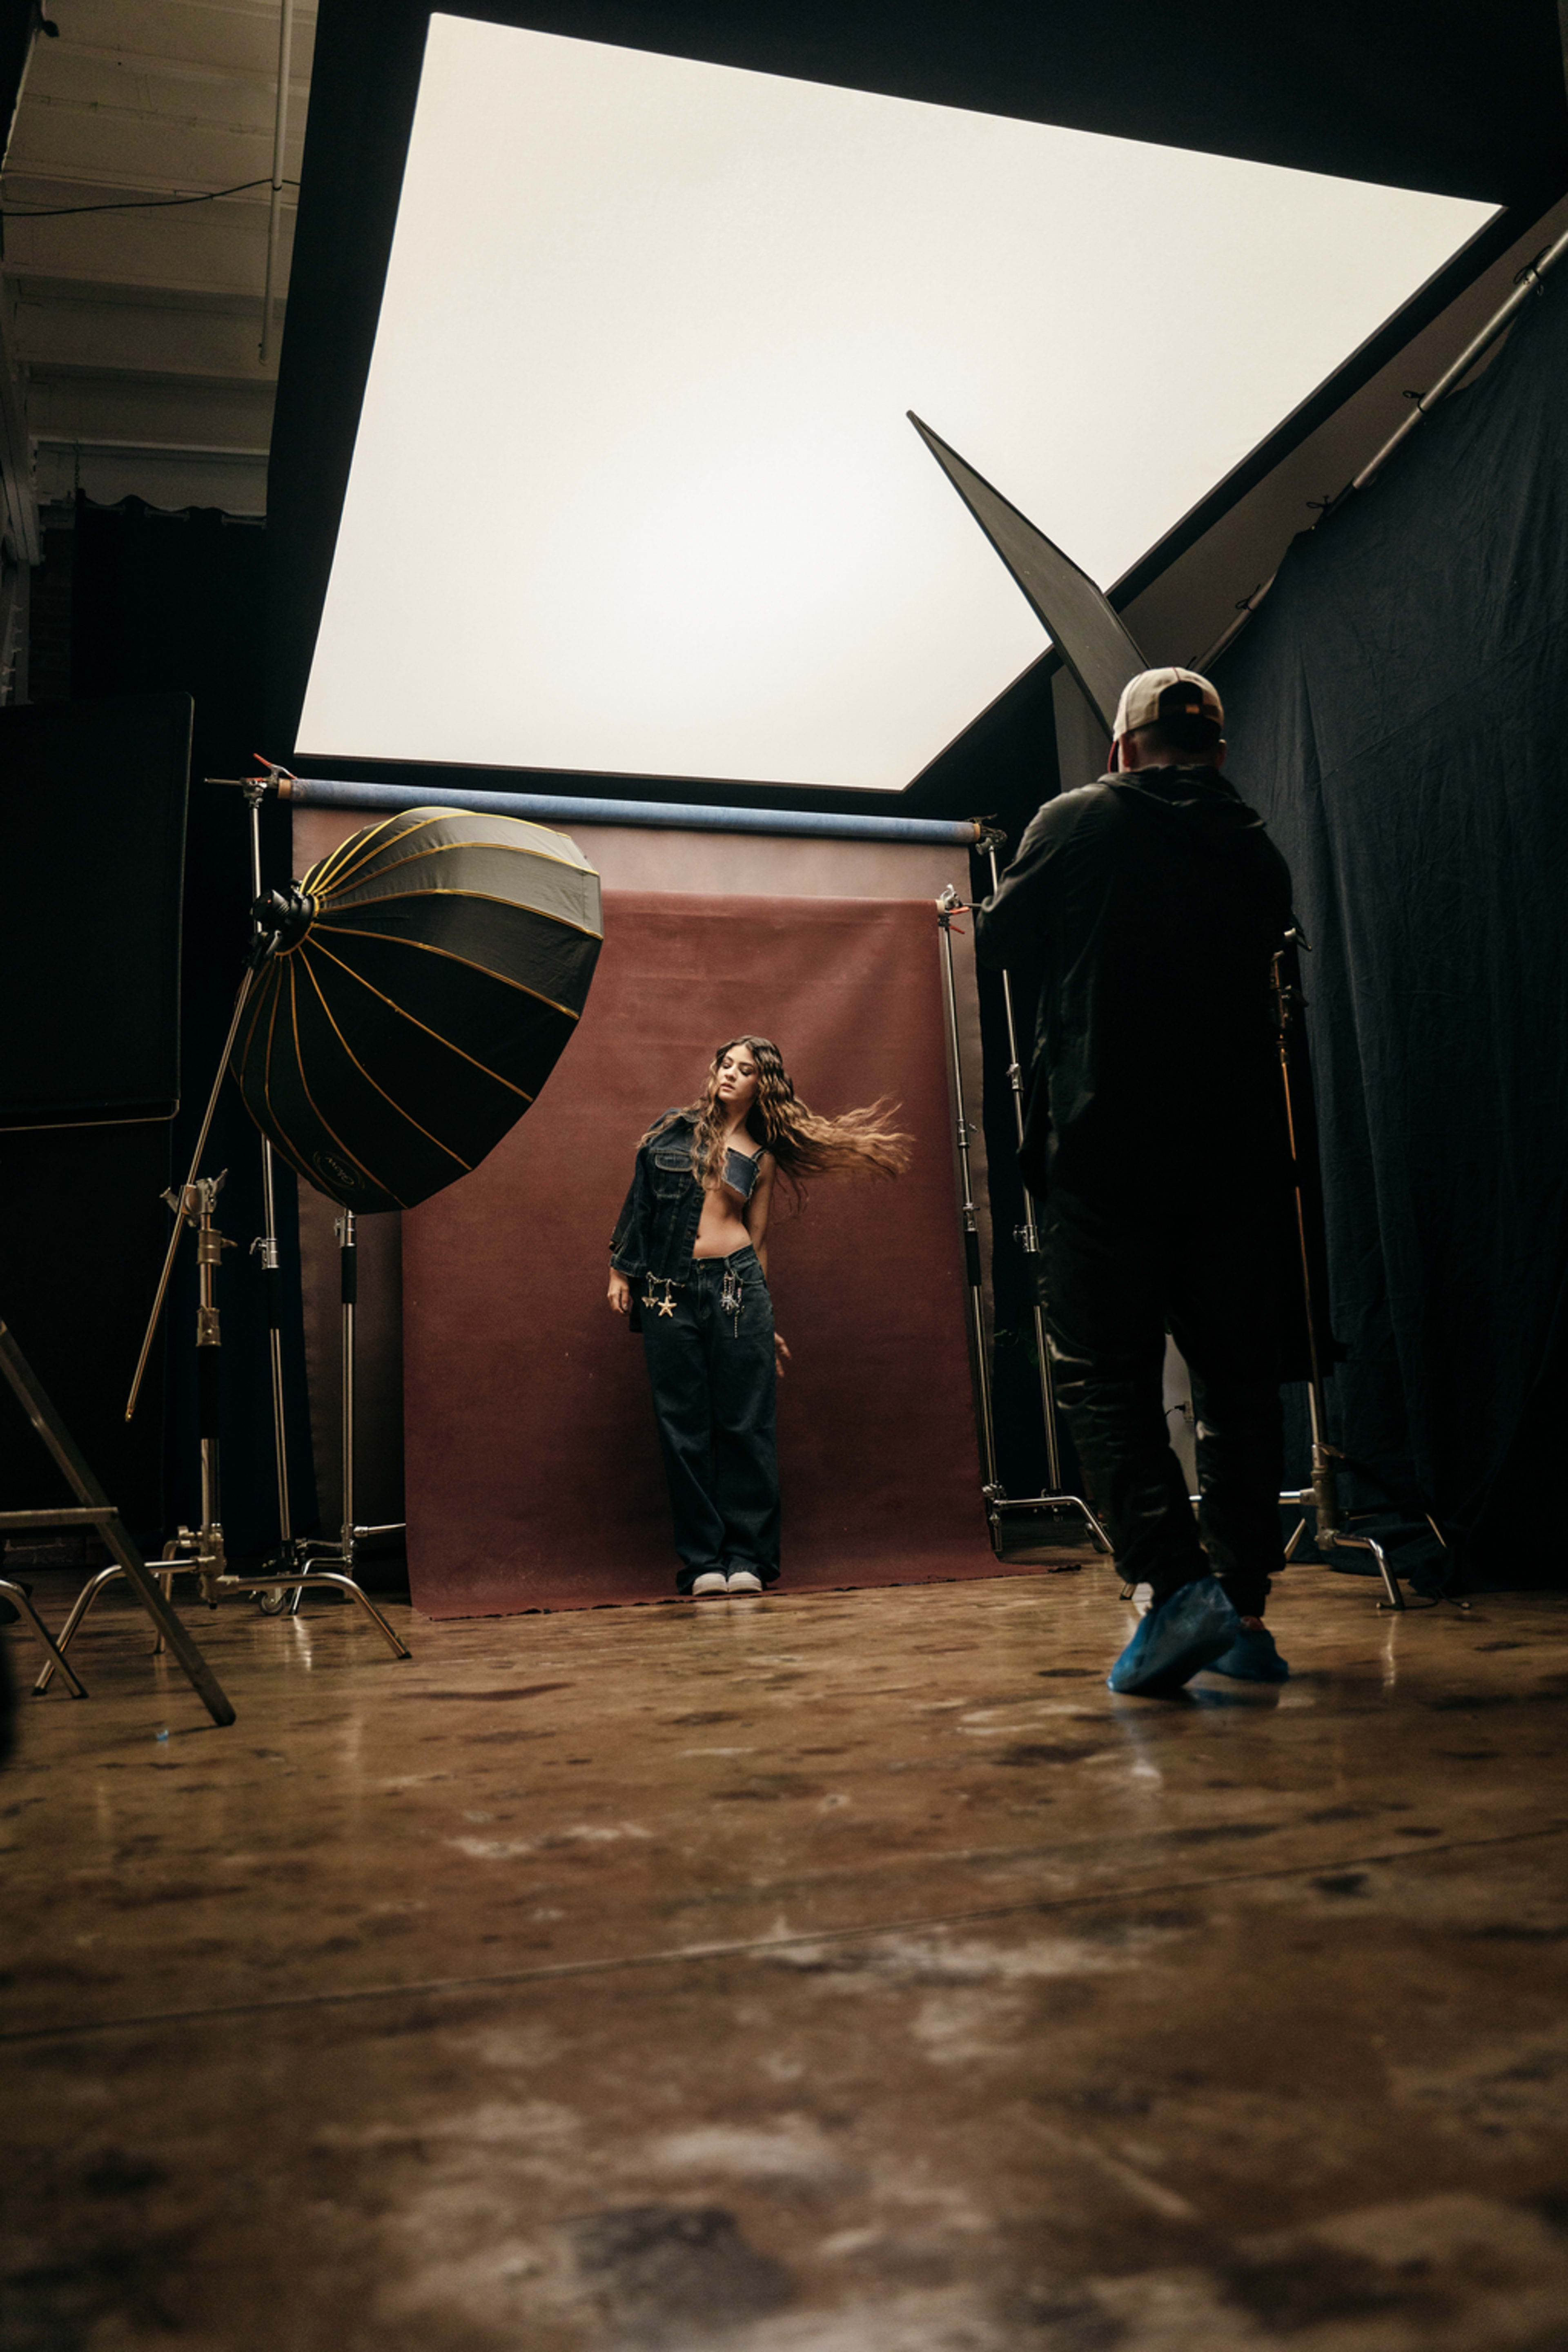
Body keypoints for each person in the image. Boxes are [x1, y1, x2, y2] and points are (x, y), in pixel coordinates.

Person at [975, 667, 1296, 1694]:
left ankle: (1175, 1585)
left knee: (1104, 1373)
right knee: (1239, 1380)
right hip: (1240, 1159)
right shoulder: (1254, 844)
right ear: (1219, 750)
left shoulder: (1078, 823)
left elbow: (998, 944)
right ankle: (1244, 1612)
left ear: (1120, 749)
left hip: (1107, 1156)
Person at [607, 1036, 909, 1597]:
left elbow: (760, 1240)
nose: (730, 1075)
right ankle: (702, 1562)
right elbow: (640, 1202)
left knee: (745, 1423)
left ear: (760, 1085)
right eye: (726, 1064)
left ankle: (746, 1556)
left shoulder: (761, 1152)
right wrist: (621, 1270)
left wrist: (762, 1320)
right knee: (683, 1427)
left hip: (736, 1285)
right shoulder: (671, 1130)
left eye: (744, 1070)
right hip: (670, 1290)